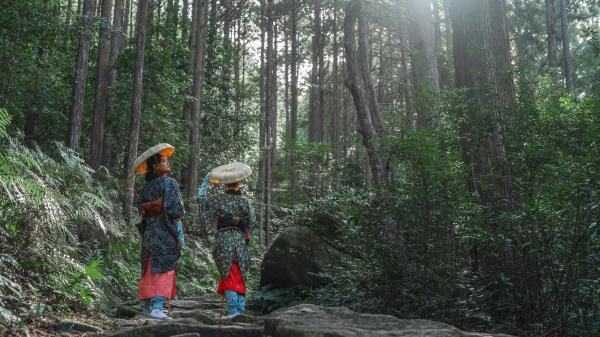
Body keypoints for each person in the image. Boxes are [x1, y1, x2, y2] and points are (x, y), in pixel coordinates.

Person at [131, 143, 185, 320]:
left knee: (149, 267)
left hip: (149, 232)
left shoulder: (146, 187)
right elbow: (176, 211)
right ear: (155, 165)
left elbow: (141, 211)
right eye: (164, 161)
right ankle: (157, 307)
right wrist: (178, 229)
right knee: (165, 267)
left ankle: (146, 306)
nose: (167, 163)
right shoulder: (169, 182)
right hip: (164, 230)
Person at [197, 163, 255, 320]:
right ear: (239, 182)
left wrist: (205, 183)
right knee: (241, 274)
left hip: (223, 240)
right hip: (240, 242)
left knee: (228, 274)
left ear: (225, 184)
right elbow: (251, 223)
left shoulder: (217, 200)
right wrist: (239, 222)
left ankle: (233, 311)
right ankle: (239, 311)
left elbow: (201, 201)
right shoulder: (245, 202)